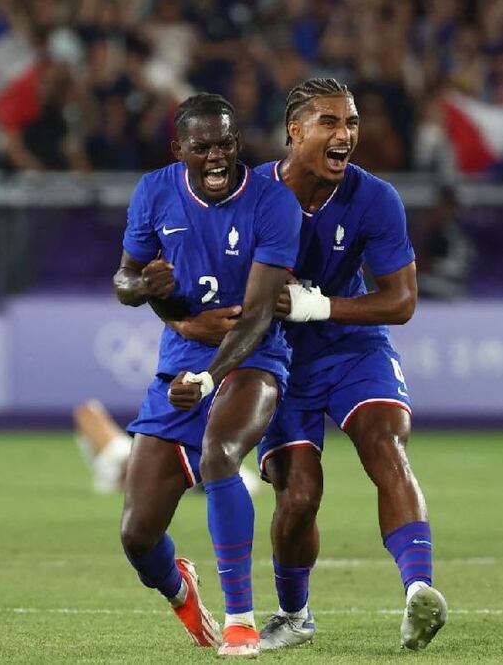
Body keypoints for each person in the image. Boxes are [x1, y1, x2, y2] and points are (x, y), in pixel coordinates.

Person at [249, 78, 446, 650]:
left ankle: (418, 593)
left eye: (352, 123)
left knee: (386, 445)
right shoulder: (251, 194)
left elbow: (402, 301)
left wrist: (316, 305)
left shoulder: (375, 197)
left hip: (353, 347)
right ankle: (294, 614)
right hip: (278, 358)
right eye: (331, 122)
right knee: (300, 494)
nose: (346, 134)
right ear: (295, 130)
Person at [113, 93, 301, 657]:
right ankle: (181, 588)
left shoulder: (272, 201)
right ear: (181, 149)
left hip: (253, 359)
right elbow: (124, 280)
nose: (216, 157)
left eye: (225, 144)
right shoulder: (154, 191)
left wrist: (209, 374)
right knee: (137, 535)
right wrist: (150, 290)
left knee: (221, 452)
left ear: (237, 142)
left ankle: (241, 620)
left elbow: (261, 314)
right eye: (202, 148)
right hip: (179, 364)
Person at [72, 399, 261, 497]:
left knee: (88, 412)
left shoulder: (229, 475)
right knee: (88, 410)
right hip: (139, 453)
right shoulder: (227, 463)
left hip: (126, 465)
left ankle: (108, 476)